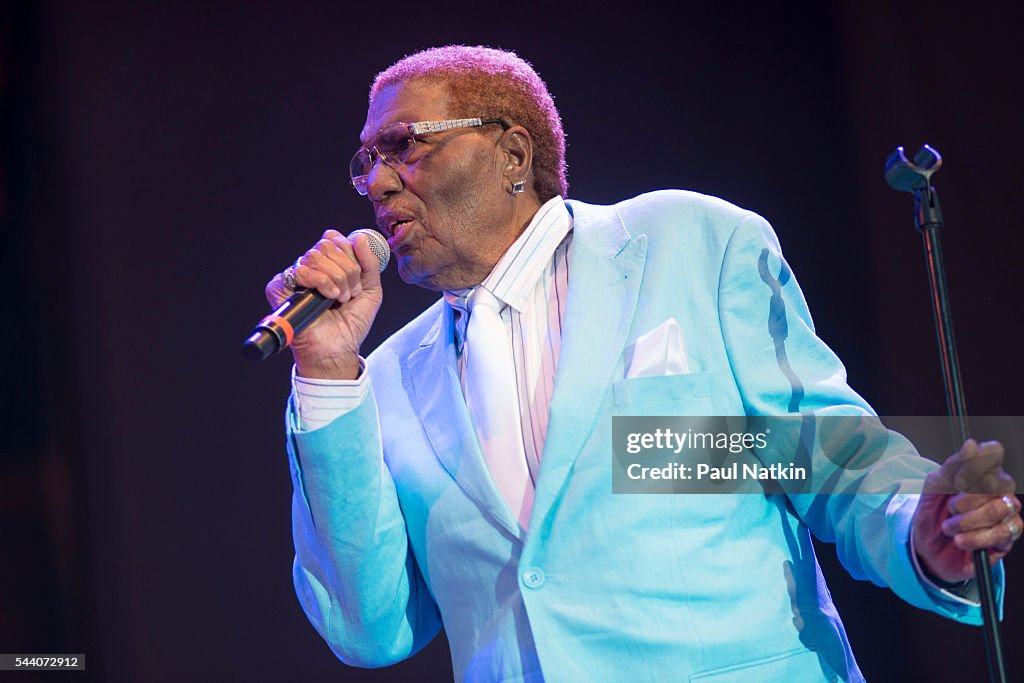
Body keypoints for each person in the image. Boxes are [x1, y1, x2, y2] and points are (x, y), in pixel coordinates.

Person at [265, 46, 1021, 681]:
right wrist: (326, 375)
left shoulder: (688, 241)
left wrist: (914, 528)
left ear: (513, 154)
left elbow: (823, 455)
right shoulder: (387, 377)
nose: (380, 181)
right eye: (366, 161)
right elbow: (371, 627)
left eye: (405, 144)